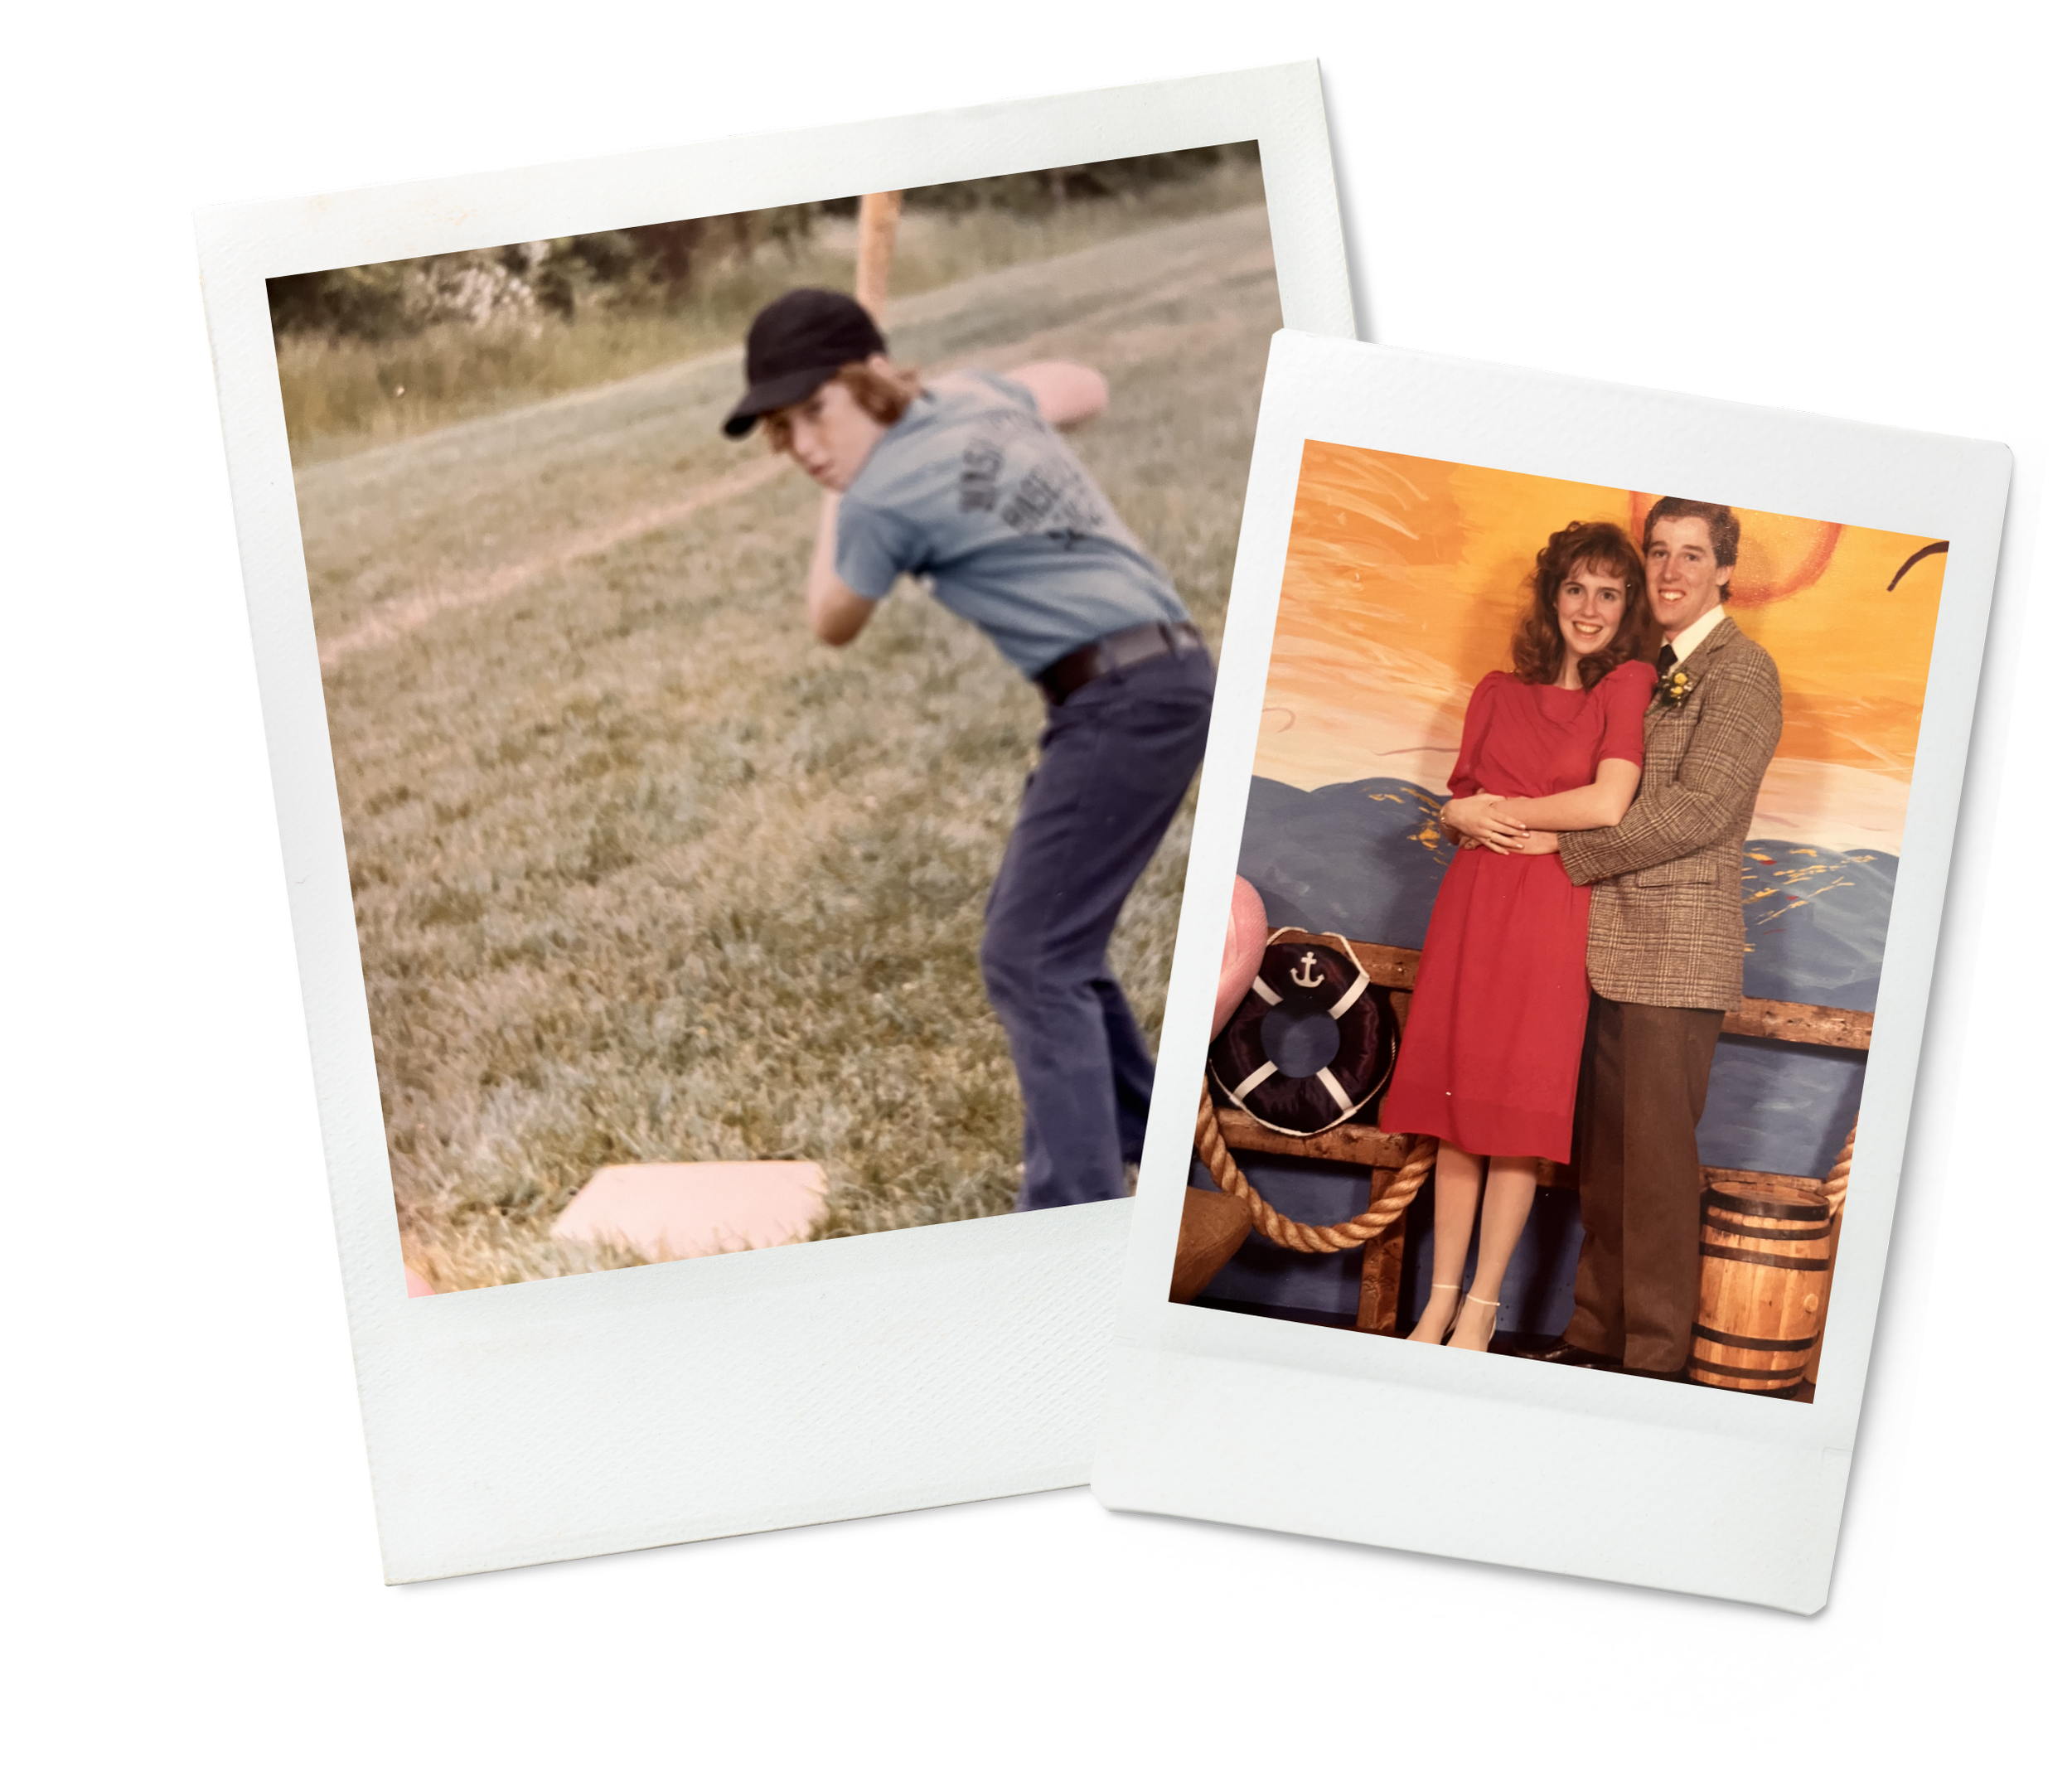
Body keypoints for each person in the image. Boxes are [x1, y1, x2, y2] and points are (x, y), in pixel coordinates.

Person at [722, 288, 1216, 1211]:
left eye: (814, 413)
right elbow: (1084, 385)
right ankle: (1175, 1166)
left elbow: (829, 618)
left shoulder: (876, 500)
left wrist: (847, 490)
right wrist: (923, 401)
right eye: (783, 433)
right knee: (1048, 941)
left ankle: (1073, 1214)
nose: (803, 448)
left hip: (1119, 702)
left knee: (1031, 958)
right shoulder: (980, 395)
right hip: (1163, 678)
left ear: (864, 382)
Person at [1505, 498, 1784, 1378]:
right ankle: (1595, 1332)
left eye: (1690, 556)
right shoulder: (1638, 667)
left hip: (1674, 953)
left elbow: (1701, 810)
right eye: (1657, 552)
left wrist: (1566, 843)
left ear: (1724, 571)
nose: (1669, 572)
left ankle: (1654, 1360)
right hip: (1608, 945)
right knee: (1609, 1163)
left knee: (1657, 1169)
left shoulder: (1741, 672)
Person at [1377, 521, 1658, 1350]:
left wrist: (1501, 814)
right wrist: (1457, 811)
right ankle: (1438, 1300)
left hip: (1551, 908)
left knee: (1516, 1116)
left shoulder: (1628, 683)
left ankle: (1482, 1308)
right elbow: (1457, 804)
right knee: (1459, 1111)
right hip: (1473, 903)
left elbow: (1606, 805)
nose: (1590, 607)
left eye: (1609, 593)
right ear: (1552, 596)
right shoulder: (1496, 689)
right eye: (1576, 587)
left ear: (1628, 608)